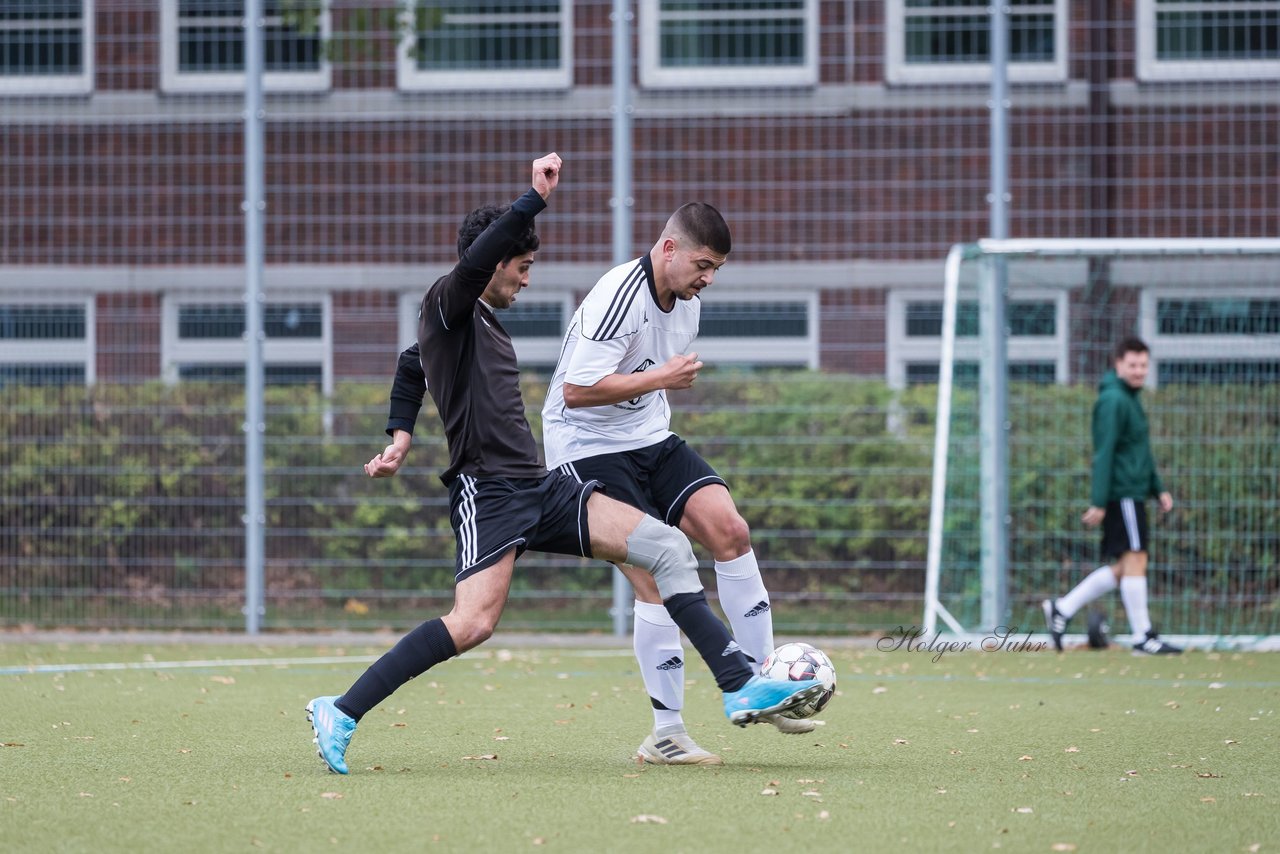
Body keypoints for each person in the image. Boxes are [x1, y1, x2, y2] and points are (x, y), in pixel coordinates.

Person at [310, 154, 823, 775]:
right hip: (489, 495)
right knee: (472, 624)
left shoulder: (480, 326)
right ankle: (340, 710)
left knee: (665, 548)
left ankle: (739, 680)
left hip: (540, 485)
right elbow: (456, 295)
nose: (527, 280)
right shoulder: (448, 301)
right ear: (492, 262)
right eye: (522, 267)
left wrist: (399, 435)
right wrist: (533, 199)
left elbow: (410, 365)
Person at [541, 202, 817, 767]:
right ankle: (666, 734)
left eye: (716, 268)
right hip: (586, 445)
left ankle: (767, 686)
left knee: (730, 530)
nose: (708, 279)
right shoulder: (618, 294)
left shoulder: (687, 302)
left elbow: (649, 386)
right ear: (668, 248)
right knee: (651, 576)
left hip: (648, 438)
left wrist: (656, 389)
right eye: (702, 264)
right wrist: (661, 377)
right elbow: (575, 391)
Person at [1042, 337, 1182, 655]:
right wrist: (1099, 500)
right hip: (1122, 494)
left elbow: (1139, 452)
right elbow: (1103, 453)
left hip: (1134, 492)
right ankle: (1142, 637)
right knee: (1135, 559)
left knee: (1124, 567)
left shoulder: (1130, 399)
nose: (1138, 371)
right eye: (1132, 365)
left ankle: (1062, 608)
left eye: (1143, 365)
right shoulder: (1113, 401)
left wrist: (1157, 487)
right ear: (1118, 364)